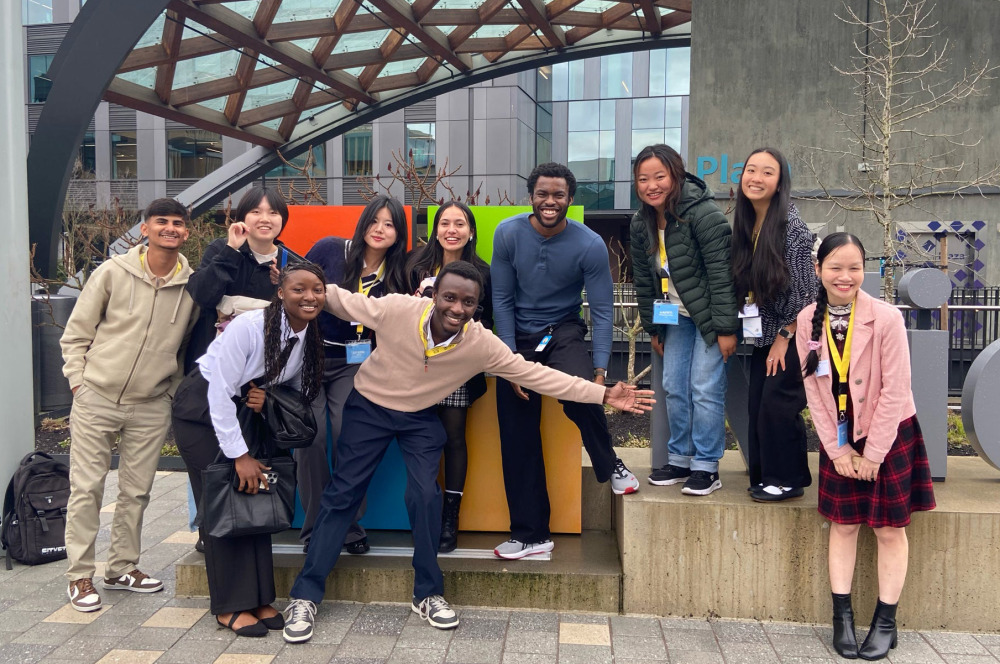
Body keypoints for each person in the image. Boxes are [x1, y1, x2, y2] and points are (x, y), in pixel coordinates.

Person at [281, 261, 653, 643]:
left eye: (468, 302)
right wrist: (292, 281)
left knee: (426, 494)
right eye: (450, 298)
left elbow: (535, 374)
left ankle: (427, 592)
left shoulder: (480, 342)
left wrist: (603, 393)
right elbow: (340, 300)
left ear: (478, 306)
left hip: (420, 417)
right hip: (371, 406)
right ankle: (305, 596)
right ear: (434, 295)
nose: (457, 308)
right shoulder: (398, 310)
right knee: (343, 494)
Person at [490, 162, 640, 561]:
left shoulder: (589, 244)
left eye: (558, 195)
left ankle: (610, 464)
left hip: (562, 330)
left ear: (570, 200)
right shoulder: (507, 234)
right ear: (531, 197)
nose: (550, 202)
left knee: (582, 393)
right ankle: (531, 534)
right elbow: (501, 300)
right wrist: (508, 360)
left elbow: (604, 310)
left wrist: (602, 369)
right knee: (516, 429)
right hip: (517, 337)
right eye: (543, 194)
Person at [796, 233, 934, 660]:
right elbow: (814, 392)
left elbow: (896, 390)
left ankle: (885, 621)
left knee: (890, 529)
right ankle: (842, 618)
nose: (845, 276)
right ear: (818, 270)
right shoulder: (807, 320)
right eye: (835, 267)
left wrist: (872, 453)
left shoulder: (886, 317)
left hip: (888, 430)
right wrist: (838, 453)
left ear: (865, 271)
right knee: (844, 524)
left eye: (854, 268)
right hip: (839, 432)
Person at [171, 262, 328, 637]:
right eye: (299, 290)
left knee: (254, 497)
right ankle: (229, 605)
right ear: (281, 293)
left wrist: (266, 396)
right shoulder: (249, 326)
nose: (309, 297)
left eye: (317, 290)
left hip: (244, 409)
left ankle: (258, 597)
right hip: (203, 412)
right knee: (224, 502)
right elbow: (218, 392)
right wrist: (239, 456)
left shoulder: (306, 331)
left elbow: (286, 383)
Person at [59, 198, 197, 612]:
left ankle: (121, 568)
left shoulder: (190, 285)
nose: (170, 229)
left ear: (186, 232)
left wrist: (169, 392)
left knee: (137, 492)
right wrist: (78, 383)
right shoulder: (112, 272)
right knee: (86, 488)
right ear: (145, 229)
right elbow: (77, 331)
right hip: (97, 396)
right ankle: (80, 575)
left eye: (177, 223)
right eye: (161, 222)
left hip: (151, 403)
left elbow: (187, 346)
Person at [183, 186, 302, 550]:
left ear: (282, 220)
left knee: (254, 453)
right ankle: (211, 530)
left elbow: (296, 323)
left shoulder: (291, 264)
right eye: (256, 211)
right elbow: (202, 295)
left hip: (262, 380)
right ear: (243, 218)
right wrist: (232, 251)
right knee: (214, 457)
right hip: (214, 372)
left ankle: (252, 523)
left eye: (273, 213)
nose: (264, 219)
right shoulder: (223, 251)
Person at [300, 194, 409, 555]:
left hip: (355, 364)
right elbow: (297, 289)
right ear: (363, 222)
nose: (380, 230)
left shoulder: (396, 276)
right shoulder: (330, 250)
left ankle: (348, 524)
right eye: (375, 221)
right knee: (311, 438)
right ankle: (315, 527)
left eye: (390, 224)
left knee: (352, 434)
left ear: (399, 233)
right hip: (311, 358)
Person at [629, 144, 739, 497]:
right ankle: (680, 458)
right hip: (674, 316)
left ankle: (707, 466)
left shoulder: (703, 214)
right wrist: (653, 327)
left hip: (708, 316)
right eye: (643, 179)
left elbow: (723, 275)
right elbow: (644, 281)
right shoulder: (640, 221)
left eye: (659, 176)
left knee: (705, 388)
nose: (652, 186)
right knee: (674, 386)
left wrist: (726, 329)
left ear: (676, 175)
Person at [405, 201, 493, 552]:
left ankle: (450, 516)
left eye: (459, 223)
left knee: (454, 436)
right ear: (435, 229)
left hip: (459, 365)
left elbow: (490, 318)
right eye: (445, 223)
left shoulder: (482, 271)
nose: (451, 229)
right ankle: (426, 510)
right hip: (419, 365)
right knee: (419, 438)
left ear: (471, 231)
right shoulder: (415, 265)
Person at [730, 148, 817, 501]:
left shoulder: (792, 228)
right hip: (764, 334)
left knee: (779, 405)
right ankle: (767, 475)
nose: (757, 178)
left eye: (768, 172)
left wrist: (785, 335)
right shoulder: (748, 225)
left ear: (780, 182)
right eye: (751, 170)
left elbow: (808, 293)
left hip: (794, 334)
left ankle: (789, 480)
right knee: (758, 407)